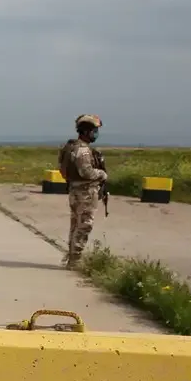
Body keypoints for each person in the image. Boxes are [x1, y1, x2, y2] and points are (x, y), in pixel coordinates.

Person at [57, 114, 107, 268]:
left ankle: (72, 256)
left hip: (74, 190)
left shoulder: (70, 147)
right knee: (84, 225)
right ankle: (75, 260)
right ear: (86, 131)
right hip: (85, 192)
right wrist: (102, 174)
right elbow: (87, 172)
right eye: (94, 131)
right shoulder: (83, 150)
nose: (96, 134)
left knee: (75, 225)